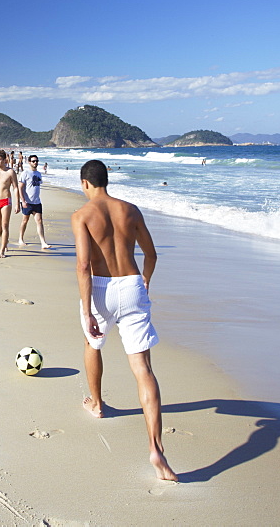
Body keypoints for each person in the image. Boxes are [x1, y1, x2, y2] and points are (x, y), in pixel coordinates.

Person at [72, 159, 177, 482]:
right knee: (143, 368)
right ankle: (156, 448)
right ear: (106, 181)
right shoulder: (130, 210)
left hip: (102, 289)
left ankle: (98, 403)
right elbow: (152, 254)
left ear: (85, 183)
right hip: (132, 284)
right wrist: (145, 281)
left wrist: (88, 309)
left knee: (93, 343)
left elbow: (83, 264)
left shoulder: (82, 216)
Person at [17, 155, 51, 249]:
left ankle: (43, 242)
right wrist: (22, 201)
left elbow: (37, 186)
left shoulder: (38, 174)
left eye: (36, 161)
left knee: (39, 221)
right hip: (27, 202)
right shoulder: (25, 173)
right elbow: (20, 188)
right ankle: (20, 238)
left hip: (36, 202)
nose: (35, 163)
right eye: (33, 161)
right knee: (25, 220)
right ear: (29, 162)